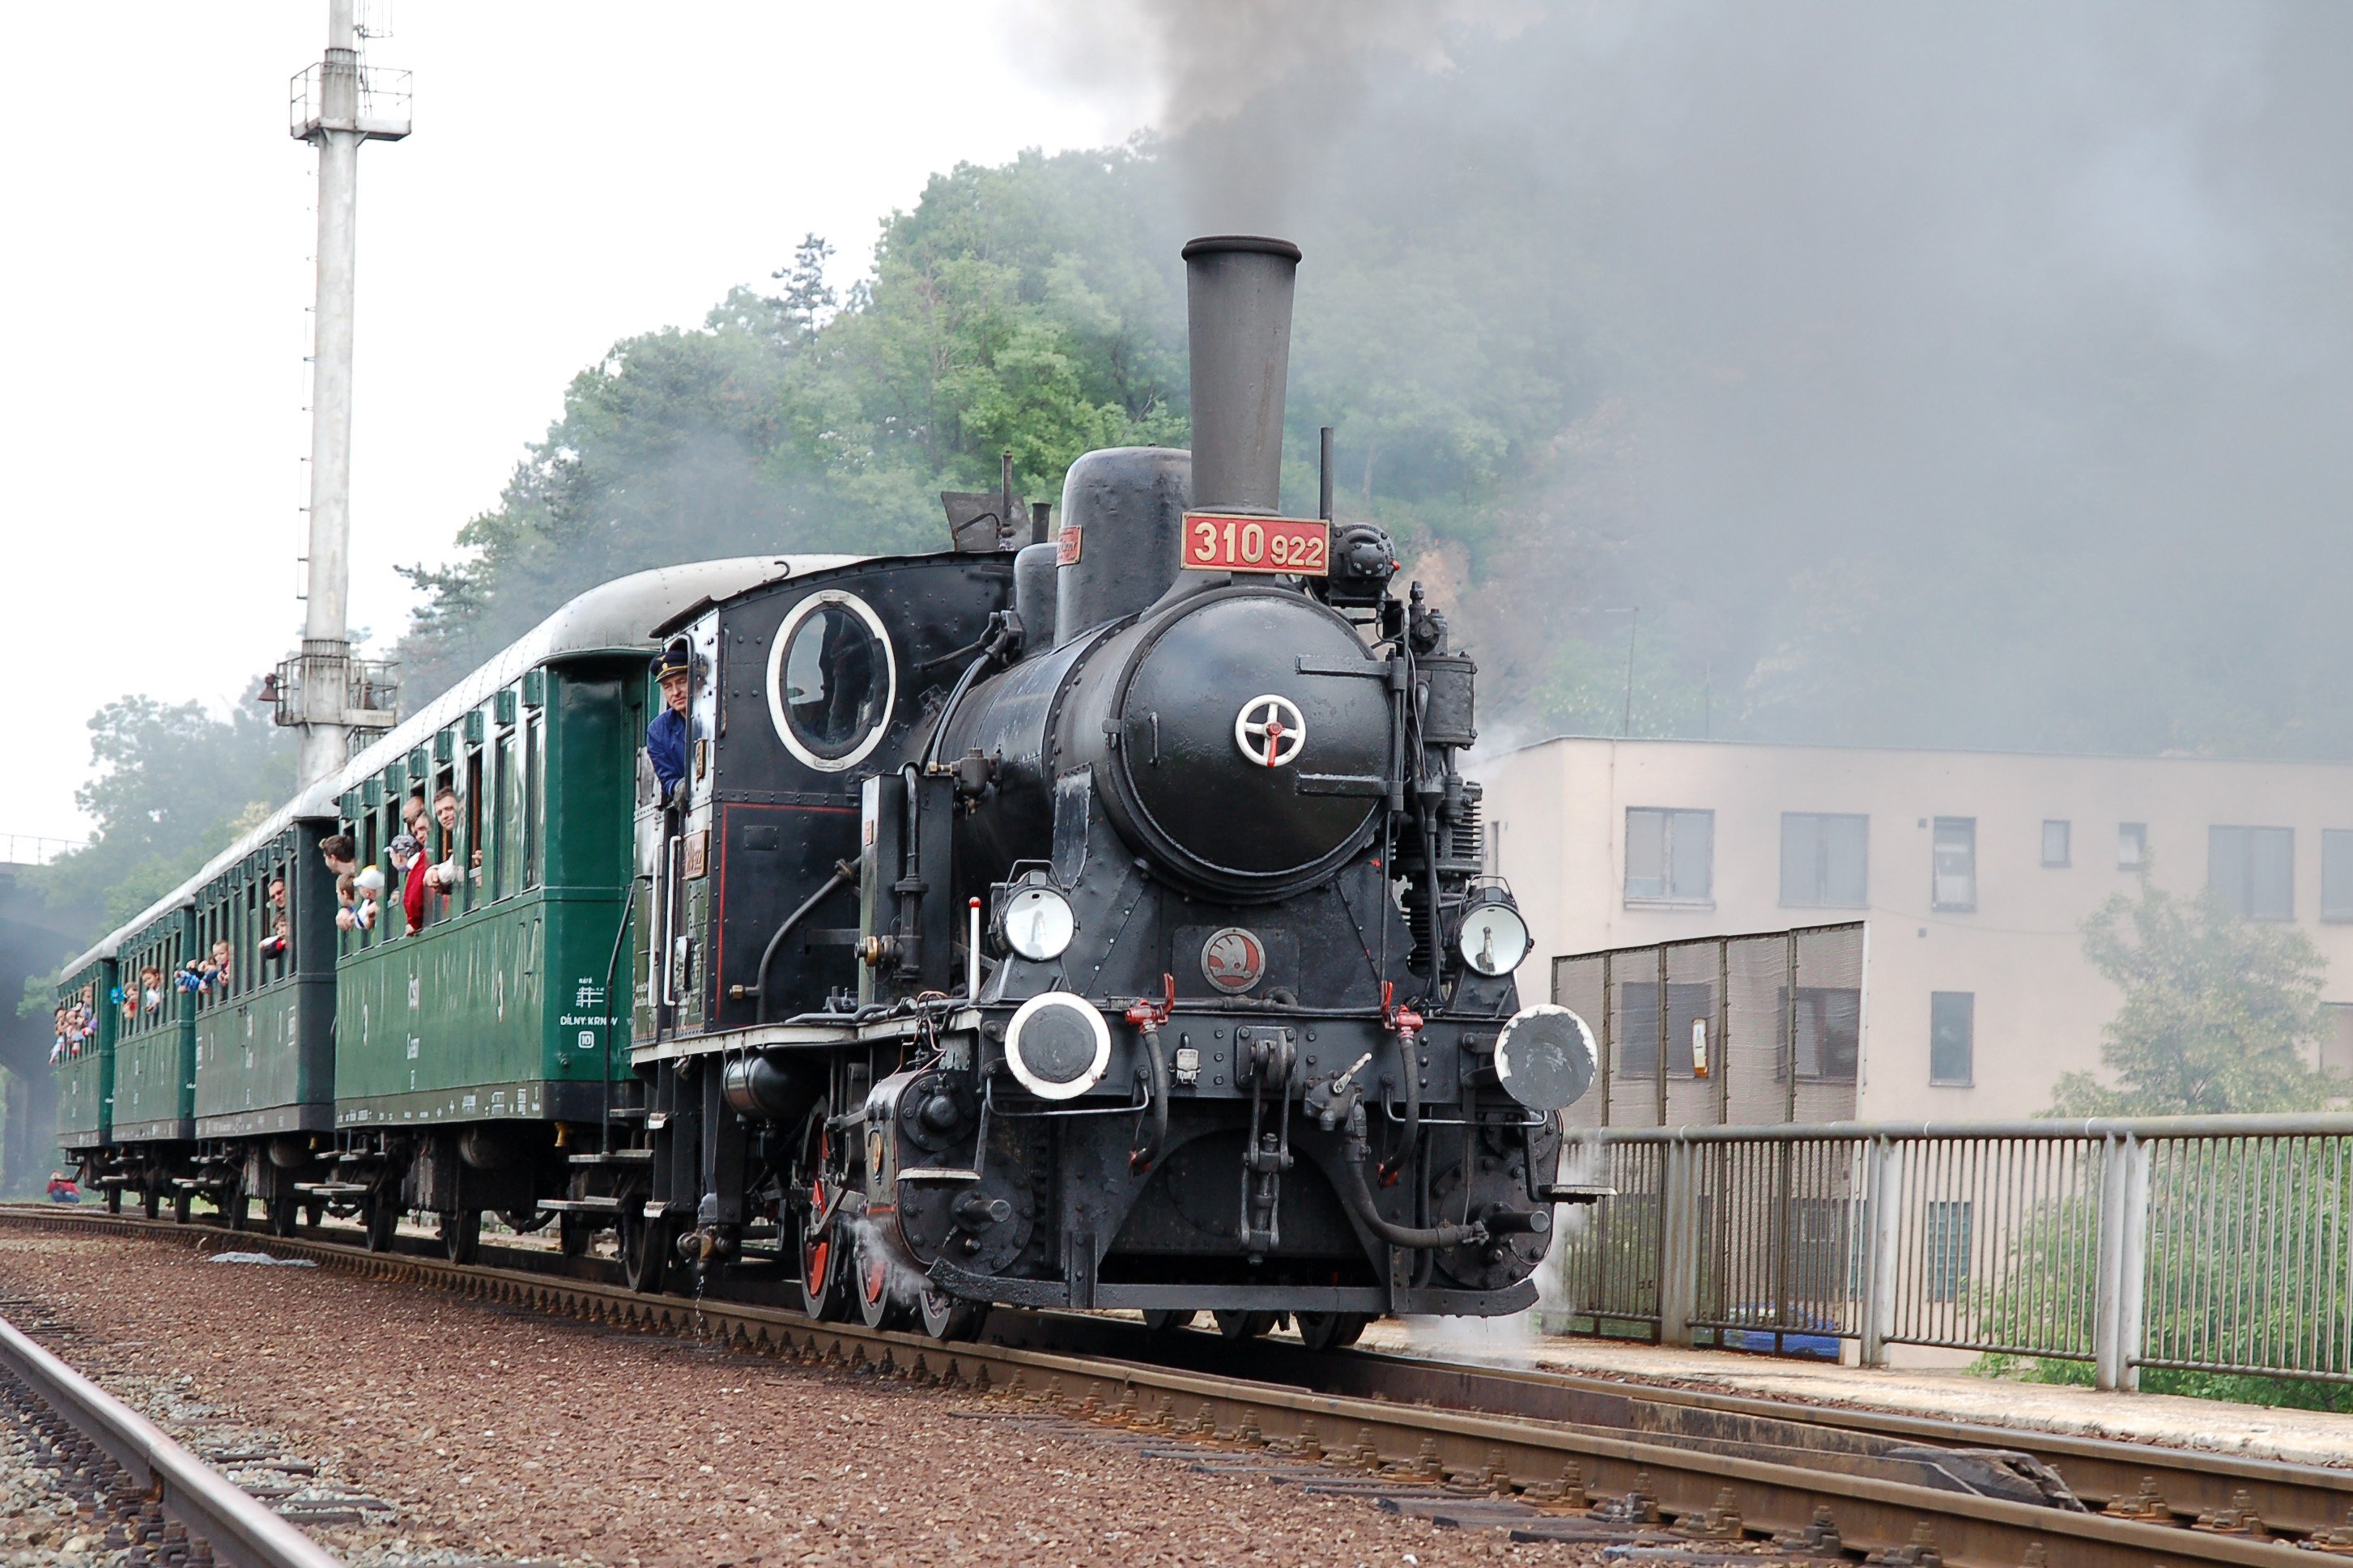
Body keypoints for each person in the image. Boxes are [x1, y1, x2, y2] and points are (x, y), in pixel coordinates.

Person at [645, 635, 699, 806]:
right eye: (668, 687)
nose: (675, 692)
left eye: (681, 682)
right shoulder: (658, 730)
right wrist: (679, 786)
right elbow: (667, 778)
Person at [389, 834, 428, 933]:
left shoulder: (416, 870)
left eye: (392, 857)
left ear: (399, 857)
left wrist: (414, 923)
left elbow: (414, 898)